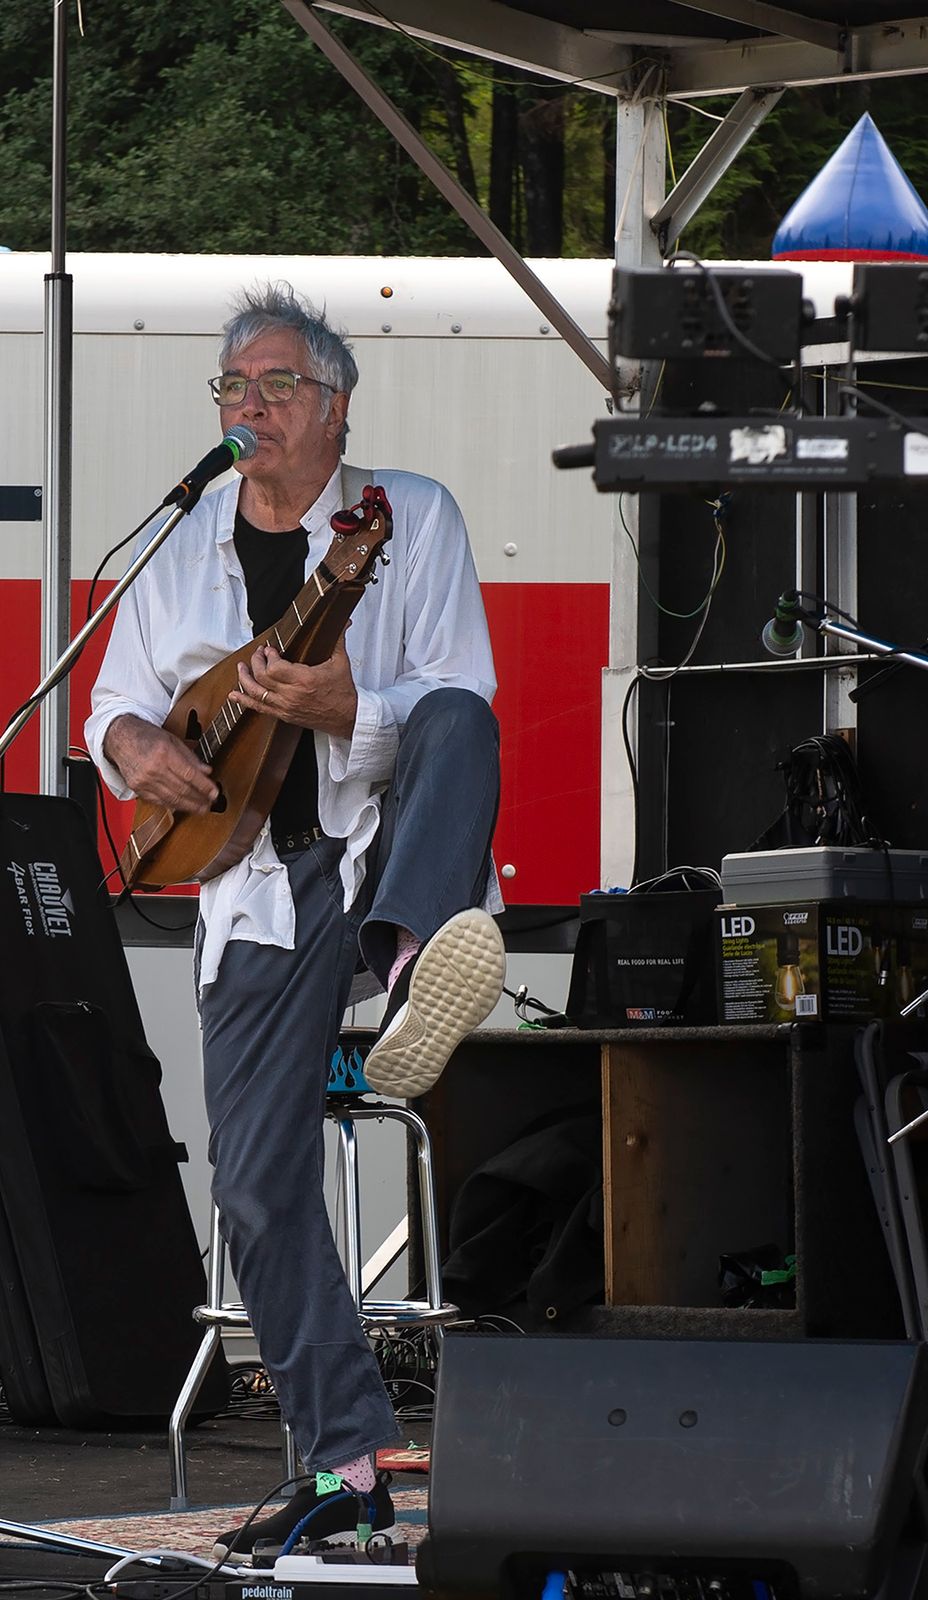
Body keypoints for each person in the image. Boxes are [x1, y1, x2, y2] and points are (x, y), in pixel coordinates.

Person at [86, 282, 506, 1552]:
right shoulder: (184, 547)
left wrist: (349, 713)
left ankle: (411, 961)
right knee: (257, 1187)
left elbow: (461, 697)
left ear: (336, 407)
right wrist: (134, 748)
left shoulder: (408, 517)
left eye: (277, 386)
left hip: (380, 859)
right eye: (234, 386)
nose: (251, 406)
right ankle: (350, 1462)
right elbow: (110, 704)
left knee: (453, 717)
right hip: (256, 893)